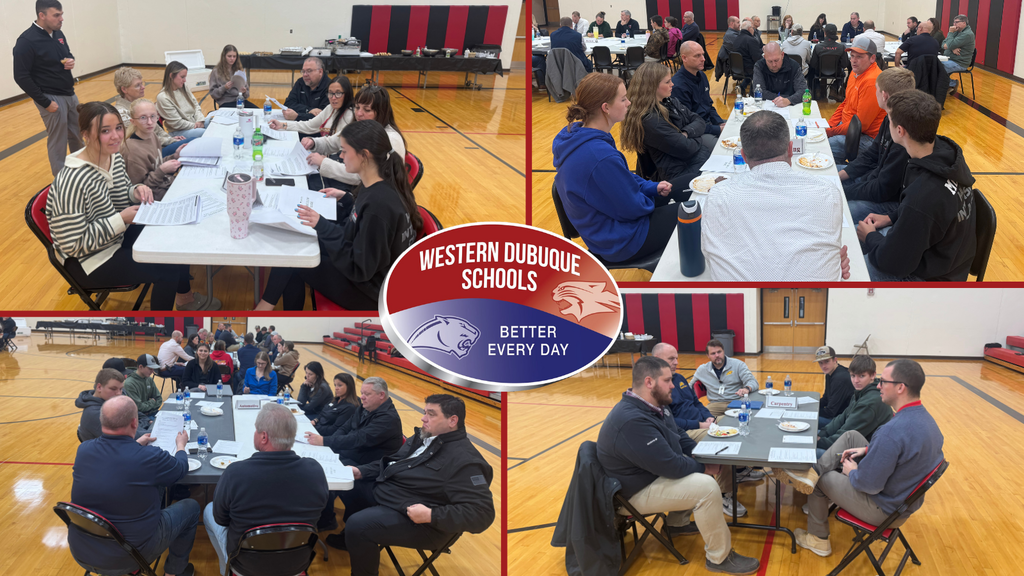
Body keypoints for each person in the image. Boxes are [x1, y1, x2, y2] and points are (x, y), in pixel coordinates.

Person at [44, 103, 217, 311]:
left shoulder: (112, 156)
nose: (116, 136)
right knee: (167, 270)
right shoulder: (72, 180)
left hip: (113, 237)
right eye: (105, 131)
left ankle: (184, 297)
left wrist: (135, 191)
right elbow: (72, 244)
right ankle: (165, 322)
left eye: (118, 127)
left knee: (174, 239)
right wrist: (121, 220)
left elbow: (121, 192)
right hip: (89, 261)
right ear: (85, 135)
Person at [596, 356, 761, 574]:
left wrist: (701, 454)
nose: (673, 384)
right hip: (632, 492)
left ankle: (677, 525)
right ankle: (719, 558)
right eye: (667, 380)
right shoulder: (631, 419)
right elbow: (670, 465)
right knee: (705, 487)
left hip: (648, 476)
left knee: (696, 470)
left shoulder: (654, 405)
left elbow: (679, 434)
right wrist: (705, 468)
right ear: (649, 382)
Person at [772, 360, 944, 558]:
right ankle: (813, 472)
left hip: (884, 509)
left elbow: (869, 485)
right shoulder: (926, 420)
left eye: (883, 381)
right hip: (901, 500)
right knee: (851, 436)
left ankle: (818, 539)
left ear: (900, 388)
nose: (878, 385)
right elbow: (902, 450)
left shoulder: (891, 433)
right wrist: (867, 449)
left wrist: (852, 472)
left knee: (822, 481)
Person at [255, 120, 420, 311]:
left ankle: (264, 310)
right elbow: (360, 230)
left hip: (371, 293)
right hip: (369, 272)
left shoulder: (378, 205)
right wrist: (348, 200)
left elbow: (359, 268)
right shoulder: (377, 184)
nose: (340, 157)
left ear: (364, 155)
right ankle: (272, 310)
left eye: (344, 151)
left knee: (295, 260)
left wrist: (322, 225)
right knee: (296, 249)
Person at [333, 394, 495, 574]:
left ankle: (357, 545)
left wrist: (431, 515)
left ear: (452, 421)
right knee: (346, 484)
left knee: (359, 525)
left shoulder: (465, 461)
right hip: (393, 495)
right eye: (425, 412)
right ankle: (351, 539)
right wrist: (362, 471)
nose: (423, 418)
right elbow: (392, 462)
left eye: (431, 414)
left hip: (424, 523)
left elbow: (483, 514)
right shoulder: (423, 437)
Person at [702, 111, 847, 281]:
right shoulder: (828, 192)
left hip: (739, 304)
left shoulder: (717, 196)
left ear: (743, 156)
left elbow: (710, 256)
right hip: (816, 303)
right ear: (791, 149)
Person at [552, 73, 676, 265]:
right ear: (606, 108)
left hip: (606, 233)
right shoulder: (599, 156)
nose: (629, 103)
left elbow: (622, 179)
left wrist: (650, 187)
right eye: (623, 98)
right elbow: (633, 208)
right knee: (694, 212)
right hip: (622, 241)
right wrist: (650, 197)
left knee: (682, 190)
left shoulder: (579, 134)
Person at [69, 396, 198, 576]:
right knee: (191, 507)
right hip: (130, 553)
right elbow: (180, 469)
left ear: (102, 421)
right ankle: (174, 572)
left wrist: (135, 444)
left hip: (83, 550)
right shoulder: (149, 457)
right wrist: (181, 446)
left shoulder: (84, 450)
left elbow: (115, 465)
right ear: (134, 423)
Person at [857, 90, 977, 281]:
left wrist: (871, 237)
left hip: (932, 279)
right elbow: (924, 215)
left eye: (889, 120)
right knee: (859, 236)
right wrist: (890, 217)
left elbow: (892, 262)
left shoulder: (924, 194)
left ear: (900, 131)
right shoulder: (944, 153)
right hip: (947, 259)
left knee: (852, 272)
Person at [204, 403, 328, 576]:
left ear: (264, 437)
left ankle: (227, 569)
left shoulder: (235, 473)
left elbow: (221, 519)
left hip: (246, 565)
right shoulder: (315, 471)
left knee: (209, 509)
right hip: (296, 564)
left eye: (256, 430)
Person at [13, 0, 83, 176]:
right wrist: (45, 102)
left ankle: (81, 172)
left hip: (69, 93)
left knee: (78, 134)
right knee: (58, 141)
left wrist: (71, 59)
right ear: (41, 15)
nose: (61, 19)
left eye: (62, 14)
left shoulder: (58, 34)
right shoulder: (26, 41)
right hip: (51, 97)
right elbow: (21, 76)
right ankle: (61, 181)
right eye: (56, 15)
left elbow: (67, 53)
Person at [840, 67, 916, 225]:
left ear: (884, 95)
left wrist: (842, 191)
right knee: (829, 175)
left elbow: (883, 189)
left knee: (839, 212)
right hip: (874, 181)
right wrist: (843, 174)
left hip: (890, 201)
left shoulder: (903, 137)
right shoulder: (889, 118)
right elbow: (871, 154)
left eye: (876, 89)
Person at [620, 63, 709, 193]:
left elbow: (699, 120)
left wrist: (686, 132)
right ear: (652, 87)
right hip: (676, 175)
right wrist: (696, 136)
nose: (672, 84)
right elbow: (687, 148)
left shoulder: (670, 101)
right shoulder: (650, 121)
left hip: (690, 159)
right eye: (667, 82)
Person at [305, 85, 406, 196]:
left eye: (367, 110)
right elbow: (332, 142)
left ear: (381, 112)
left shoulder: (390, 139)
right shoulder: (359, 126)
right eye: (357, 107)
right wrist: (313, 142)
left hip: (366, 194)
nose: (359, 114)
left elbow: (362, 176)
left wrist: (324, 163)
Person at [269, 75, 355, 190]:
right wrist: (283, 125)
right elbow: (310, 125)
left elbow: (334, 142)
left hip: (339, 167)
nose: (333, 98)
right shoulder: (331, 108)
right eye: (330, 93)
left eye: (338, 93)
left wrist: (315, 144)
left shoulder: (350, 116)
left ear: (347, 94)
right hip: (325, 161)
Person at [305, 377, 403, 466]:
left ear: (381, 395)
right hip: (350, 454)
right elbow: (345, 427)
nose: (362, 397)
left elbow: (358, 439)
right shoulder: (365, 407)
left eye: (367, 394)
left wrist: (325, 441)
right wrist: (330, 443)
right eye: (362, 393)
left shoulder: (388, 418)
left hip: (365, 466)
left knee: (314, 469)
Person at [817, 355, 891, 457]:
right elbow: (841, 418)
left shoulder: (869, 403)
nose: (856, 381)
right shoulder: (861, 392)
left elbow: (846, 436)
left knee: (809, 452)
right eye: (853, 376)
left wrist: (819, 442)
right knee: (815, 434)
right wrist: (822, 435)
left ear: (873, 375)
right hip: (853, 442)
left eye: (861, 376)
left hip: (865, 454)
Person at [827, 36, 885, 164]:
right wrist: (829, 125)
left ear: (872, 58)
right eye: (852, 56)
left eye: (859, 57)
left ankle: (844, 176)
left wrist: (830, 132)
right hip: (848, 127)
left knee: (824, 148)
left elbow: (860, 125)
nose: (853, 60)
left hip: (865, 137)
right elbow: (846, 102)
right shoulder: (855, 73)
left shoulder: (872, 81)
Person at [112, 67, 187, 158]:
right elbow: (144, 139)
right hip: (150, 153)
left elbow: (157, 129)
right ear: (124, 89)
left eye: (142, 83)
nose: (143, 87)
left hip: (159, 145)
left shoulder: (140, 104)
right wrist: (170, 141)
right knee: (191, 143)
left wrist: (169, 138)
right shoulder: (121, 113)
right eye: (137, 85)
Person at [120, 99, 183, 201]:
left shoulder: (152, 135)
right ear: (133, 122)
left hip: (164, 185)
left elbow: (156, 164)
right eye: (143, 118)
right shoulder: (132, 151)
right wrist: (162, 171)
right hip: (154, 197)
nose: (150, 122)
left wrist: (174, 156)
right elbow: (140, 190)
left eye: (153, 116)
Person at [671, 41, 726, 140]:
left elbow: (708, 105)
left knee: (737, 128)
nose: (703, 59)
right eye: (697, 56)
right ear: (684, 58)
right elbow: (687, 123)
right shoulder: (678, 86)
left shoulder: (702, 76)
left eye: (703, 55)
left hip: (709, 122)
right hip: (695, 131)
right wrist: (717, 129)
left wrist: (719, 122)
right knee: (721, 147)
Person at [690, 339, 758, 417]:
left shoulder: (738, 365)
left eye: (719, 352)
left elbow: (753, 382)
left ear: (723, 351)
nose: (717, 355)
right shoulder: (702, 369)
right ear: (708, 355)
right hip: (715, 405)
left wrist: (746, 388)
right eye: (713, 353)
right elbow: (688, 388)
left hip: (736, 402)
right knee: (701, 418)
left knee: (734, 419)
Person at [155, 61, 205, 139]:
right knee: (205, 133)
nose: (185, 80)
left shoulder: (183, 88)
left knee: (215, 123)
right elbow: (177, 123)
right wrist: (196, 125)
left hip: (194, 123)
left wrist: (200, 120)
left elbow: (196, 106)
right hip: (179, 131)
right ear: (171, 76)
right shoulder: (163, 97)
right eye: (182, 77)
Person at [283, 57, 332, 138]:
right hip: (296, 128)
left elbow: (322, 117)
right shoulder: (300, 82)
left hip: (317, 134)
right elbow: (288, 104)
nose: (305, 75)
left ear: (320, 71)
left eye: (309, 71)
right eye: (303, 71)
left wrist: (297, 116)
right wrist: (309, 110)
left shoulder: (329, 87)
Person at [76, 368, 125, 442]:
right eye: (113, 389)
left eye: (121, 389)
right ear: (99, 387)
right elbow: (123, 439)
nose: (119, 393)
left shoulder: (110, 401)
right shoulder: (95, 414)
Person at [814, 346, 855, 428]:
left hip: (843, 421)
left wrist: (811, 412)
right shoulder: (830, 373)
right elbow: (826, 399)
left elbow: (830, 412)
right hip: (836, 416)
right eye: (820, 363)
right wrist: (812, 406)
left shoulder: (840, 378)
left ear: (835, 360)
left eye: (826, 361)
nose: (823, 366)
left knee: (807, 420)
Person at [207, 44, 258, 109]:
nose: (232, 59)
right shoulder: (216, 71)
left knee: (257, 112)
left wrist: (244, 91)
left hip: (240, 101)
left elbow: (247, 95)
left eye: (234, 56)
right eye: (229, 56)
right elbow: (213, 94)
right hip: (226, 102)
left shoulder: (240, 70)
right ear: (224, 56)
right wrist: (224, 87)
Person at [809, 23, 849, 99]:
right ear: (836, 33)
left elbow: (813, 64)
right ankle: (833, 89)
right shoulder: (841, 47)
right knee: (843, 74)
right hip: (836, 73)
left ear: (825, 33)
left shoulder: (818, 47)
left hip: (820, 72)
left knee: (812, 71)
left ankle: (817, 88)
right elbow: (845, 64)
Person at [123, 354, 163, 426]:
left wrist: (149, 406)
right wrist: (152, 402)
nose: (152, 371)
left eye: (153, 369)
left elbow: (159, 399)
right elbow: (139, 407)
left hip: (153, 412)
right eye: (150, 368)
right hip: (140, 418)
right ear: (140, 367)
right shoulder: (129, 384)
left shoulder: (149, 379)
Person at [942, 15, 975, 92]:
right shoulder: (956, 31)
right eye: (954, 22)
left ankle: (952, 83)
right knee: (934, 64)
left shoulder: (967, 34)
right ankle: (946, 85)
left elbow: (949, 44)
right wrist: (952, 47)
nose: (954, 24)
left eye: (957, 22)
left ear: (964, 23)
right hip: (950, 59)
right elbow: (943, 44)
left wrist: (950, 33)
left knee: (938, 67)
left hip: (959, 62)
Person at [732, 21, 763, 96]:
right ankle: (754, 92)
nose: (753, 30)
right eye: (752, 28)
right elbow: (757, 58)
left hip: (736, 68)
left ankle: (742, 87)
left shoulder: (736, 39)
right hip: (748, 69)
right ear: (749, 28)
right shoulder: (751, 40)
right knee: (764, 66)